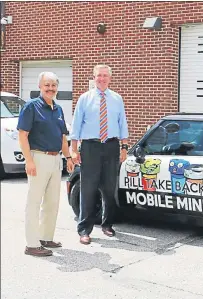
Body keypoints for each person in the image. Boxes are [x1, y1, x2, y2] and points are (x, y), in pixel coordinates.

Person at [70, 64, 129, 245]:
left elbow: (122, 123)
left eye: (105, 76)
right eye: (98, 76)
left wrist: (124, 147)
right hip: (90, 147)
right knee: (88, 189)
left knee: (109, 188)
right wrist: (73, 149)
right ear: (94, 78)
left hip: (111, 146)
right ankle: (84, 230)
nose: (102, 79)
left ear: (110, 78)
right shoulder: (85, 99)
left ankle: (107, 225)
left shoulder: (117, 99)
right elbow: (76, 125)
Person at [17, 71, 74, 256]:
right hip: (38, 157)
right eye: (47, 85)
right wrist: (29, 160)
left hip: (55, 158)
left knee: (52, 202)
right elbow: (23, 135)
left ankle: (45, 237)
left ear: (57, 87)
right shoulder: (31, 107)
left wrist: (69, 158)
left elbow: (63, 137)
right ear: (40, 87)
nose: (50, 88)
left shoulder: (58, 109)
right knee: (34, 202)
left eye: (53, 85)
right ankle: (32, 244)